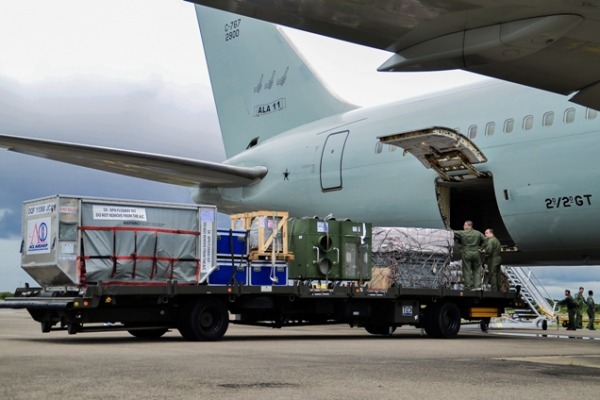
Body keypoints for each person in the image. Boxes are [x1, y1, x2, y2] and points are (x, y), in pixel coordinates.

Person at [453, 220, 485, 290]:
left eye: (465, 225)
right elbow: (485, 240)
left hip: (466, 253)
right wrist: (481, 248)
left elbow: (453, 232)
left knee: (467, 270)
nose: (463, 226)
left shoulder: (462, 233)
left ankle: (468, 286)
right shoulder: (478, 233)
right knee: (477, 270)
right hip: (476, 253)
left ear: (469, 226)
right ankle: (478, 286)